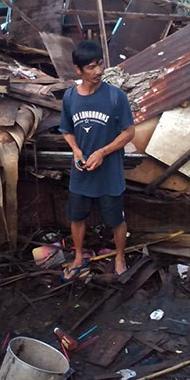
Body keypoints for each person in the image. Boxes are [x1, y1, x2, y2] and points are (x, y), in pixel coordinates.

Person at [59, 40, 135, 280]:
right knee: (76, 217)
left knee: (115, 219)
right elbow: (66, 130)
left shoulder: (115, 97)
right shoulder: (70, 97)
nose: (99, 71)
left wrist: (103, 152)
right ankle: (78, 256)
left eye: (100, 64)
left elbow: (129, 132)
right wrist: (76, 150)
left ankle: (120, 256)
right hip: (81, 172)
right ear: (78, 70)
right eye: (91, 67)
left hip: (109, 173)